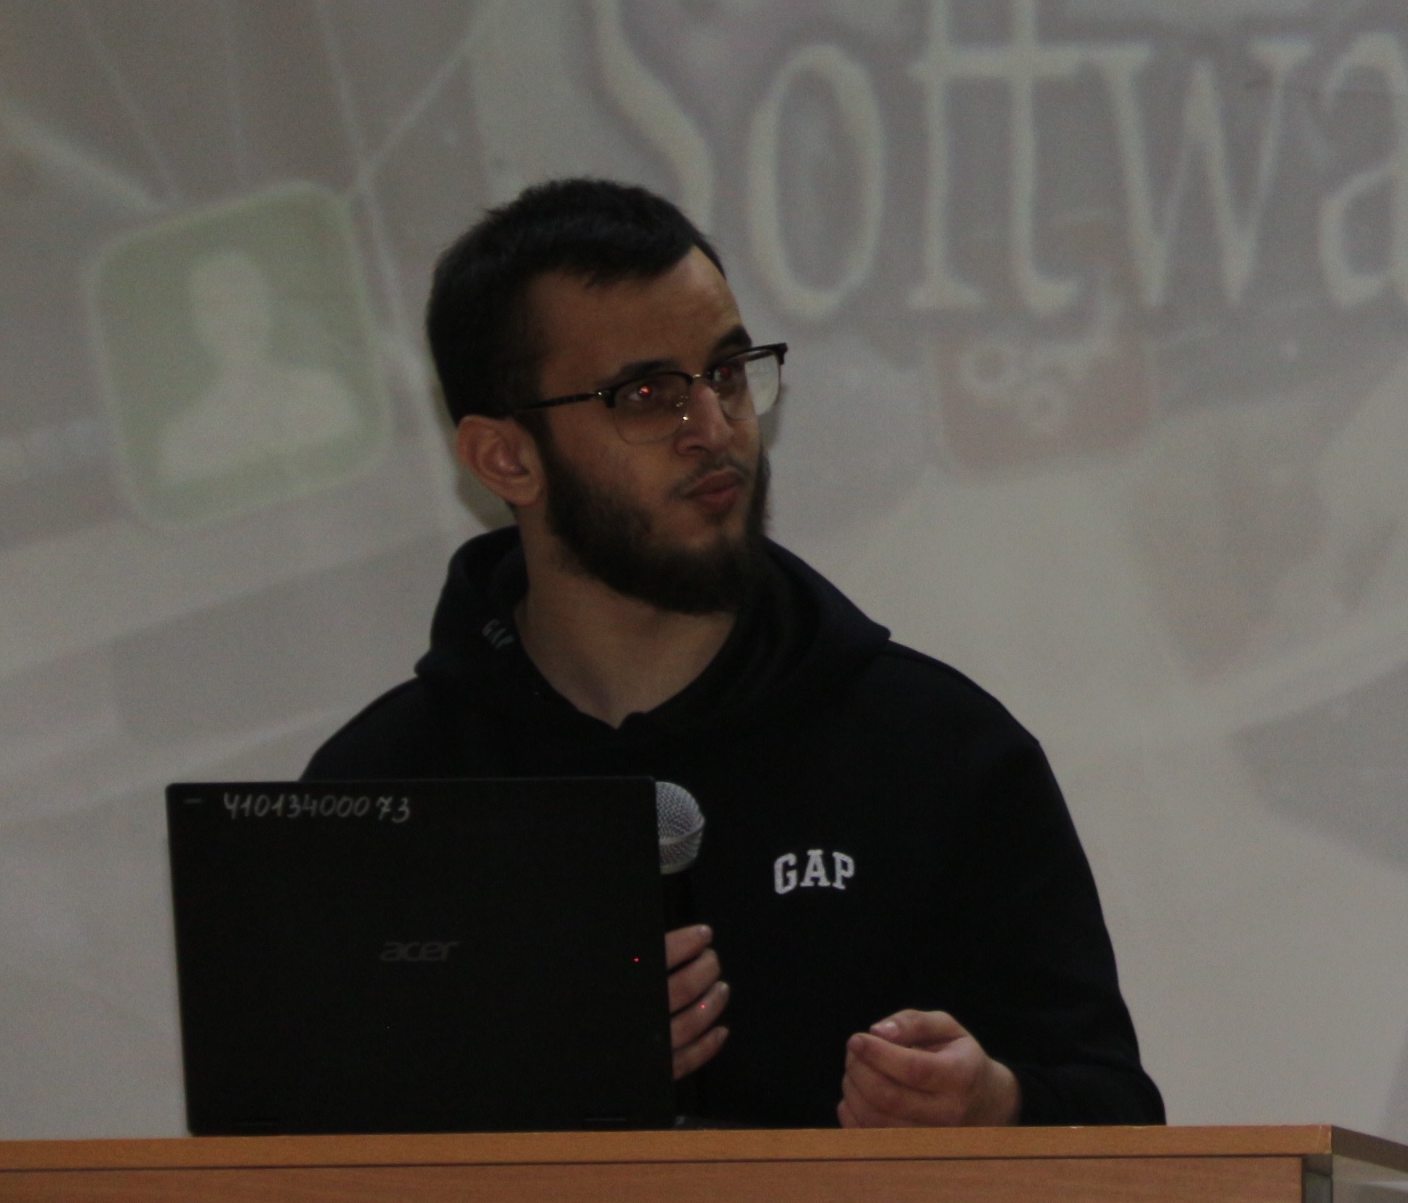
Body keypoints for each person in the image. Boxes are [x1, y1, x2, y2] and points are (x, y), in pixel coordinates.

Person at [305, 178, 1162, 1129]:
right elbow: (283, 1171)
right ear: (506, 458)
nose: (714, 430)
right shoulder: (378, 796)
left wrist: (994, 1110)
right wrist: (513, 1080)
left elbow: (1121, 1124)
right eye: (646, 395)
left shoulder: (938, 750)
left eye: (725, 373)